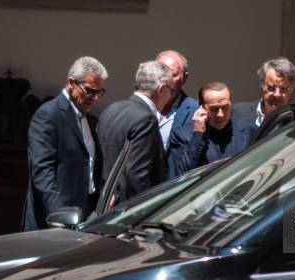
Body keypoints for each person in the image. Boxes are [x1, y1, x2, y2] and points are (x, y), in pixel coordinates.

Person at [22, 56, 108, 231]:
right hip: (54, 221)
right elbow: (42, 174)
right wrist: (62, 217)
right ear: (71, 83)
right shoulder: (48, 115)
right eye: (90, 91)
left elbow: (90, 167)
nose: (95, 98)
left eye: (99, 92)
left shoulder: (90, 121)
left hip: (84, 217)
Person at [97, 61, 173, 203]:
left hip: (104, 202)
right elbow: (137, 175)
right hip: (127, 209)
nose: (170, 97)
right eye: (171, 91)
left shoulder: (111, 109)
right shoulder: (146, 118)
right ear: (161, 89)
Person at [169, 82, 256, 177]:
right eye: (214, 109)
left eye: (225, 107)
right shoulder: (182, 135)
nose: (220, 114)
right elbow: (184, 173)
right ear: (201, 107)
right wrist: (198, 134)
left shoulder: (248, 131)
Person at [156, 50, 198, 177]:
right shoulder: (142, 107)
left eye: (173, 75)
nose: (166, 81)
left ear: (184, 78)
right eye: (161, 74)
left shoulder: (195, 111)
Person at [232, 57, 295, 127]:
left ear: (292, 90)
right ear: (262, 87)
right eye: (271, 88)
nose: (277, 94)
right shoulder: (238, 113)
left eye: (283, 89)